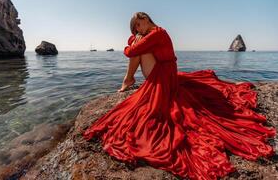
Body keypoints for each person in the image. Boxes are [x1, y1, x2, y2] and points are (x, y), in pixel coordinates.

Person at [82, 12, 276, 180]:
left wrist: (135, 42)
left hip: (164, 74)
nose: (137, 30)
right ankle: (128, 79)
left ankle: (128, 79)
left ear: (145, 19)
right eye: (135, 28)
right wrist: (136, 38)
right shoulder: (153, 33)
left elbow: (130, 51)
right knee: (139, 48)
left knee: (137, 52)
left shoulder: (157, 33)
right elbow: (132, 43)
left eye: (138, 25)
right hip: (166, 71)